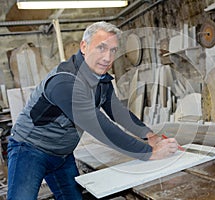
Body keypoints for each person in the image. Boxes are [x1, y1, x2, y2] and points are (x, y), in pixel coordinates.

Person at [7, 21, 179, 200]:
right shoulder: (65, 81)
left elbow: (117, 111)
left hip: (62, 154)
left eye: (113, 50)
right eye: (101, 48)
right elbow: (100, 127)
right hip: (29, 149)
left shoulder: (102, 80)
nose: (108, 57)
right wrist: (149, 153)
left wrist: (149, 135)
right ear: (84, 46)